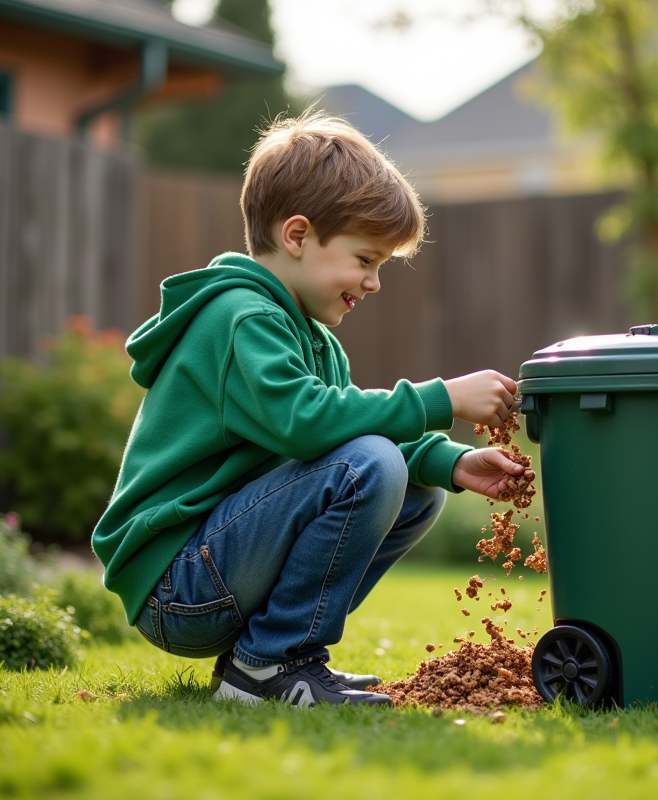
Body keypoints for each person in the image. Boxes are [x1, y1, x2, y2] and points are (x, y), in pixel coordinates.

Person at [91, 112, 523, 709]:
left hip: (218, 566)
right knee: (370, 466)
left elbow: (346, 433)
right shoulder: (241, 317)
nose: (374, 282)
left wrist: (450, 462)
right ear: (297, 236)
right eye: (365, 260)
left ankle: (266, 657)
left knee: (417, 490)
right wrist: (441, 398)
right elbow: (305, 421)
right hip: (179, 583)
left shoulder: (310, 337)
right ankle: (267, 666)